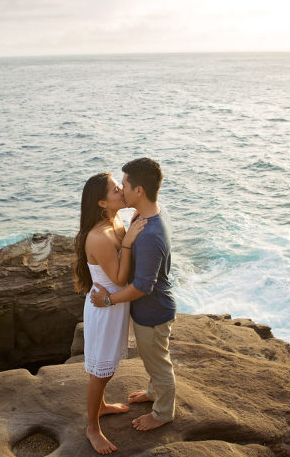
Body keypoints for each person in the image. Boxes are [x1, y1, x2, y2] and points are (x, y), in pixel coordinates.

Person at [91, 157, 176, 432]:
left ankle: (163, 413)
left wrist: (107, 300)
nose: (121, 190)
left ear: (139, 191)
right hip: (147, 311)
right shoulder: (144, 215)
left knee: (158, 363)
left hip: (153, 312)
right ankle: (154, 392)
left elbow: (141, 287)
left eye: (124, 184)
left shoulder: (150, 233)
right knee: (151, 356)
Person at [74, 172, 147, 455]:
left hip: (112, 305)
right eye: (116, 189)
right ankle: (92, 427)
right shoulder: (100, 236)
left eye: (121, 186)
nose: (122, 190)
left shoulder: (114, 221)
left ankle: (102, 407)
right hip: (105, 309)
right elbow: (118, 278)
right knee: (100, 372)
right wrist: (128, 242)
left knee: (108, 367)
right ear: (102, 202)